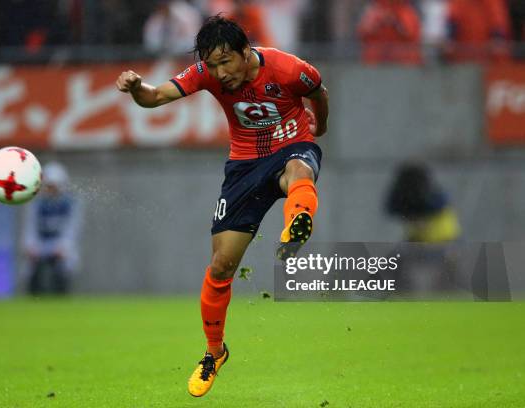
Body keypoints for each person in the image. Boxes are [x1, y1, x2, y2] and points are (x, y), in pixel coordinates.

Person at [116, 15, 328, 397]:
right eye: (212, 65)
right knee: (220, 266)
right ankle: (215, 352)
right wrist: (135, 88)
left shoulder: (289, 69)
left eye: (225, 61)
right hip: (244, 166)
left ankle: (298, 221)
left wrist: (320, 128)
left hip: (293, 144)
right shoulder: (208, 74)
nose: (219, 72)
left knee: (299, 171)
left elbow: (319, 93)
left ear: (246, 52)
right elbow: (155, 96)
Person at [22, 162, 83, 295]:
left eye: (53, 186)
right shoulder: (36, 203)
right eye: (48, 186)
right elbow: (30, 227)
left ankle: (62, 293)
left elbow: (72, 228)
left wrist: (63, 247)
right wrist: (31, 246)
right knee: (29, 267)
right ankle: (33, 294)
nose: (50, 190)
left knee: (67, 262)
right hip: (41, 242)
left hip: (59, 242)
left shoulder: (70, 203)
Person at [357, 0, 422, 65]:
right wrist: (379, 23)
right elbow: (363, 33)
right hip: (376, 63)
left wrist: (396, 24)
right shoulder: (374, 11)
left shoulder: (406, 12)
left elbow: (412, 35)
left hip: (403, 63)